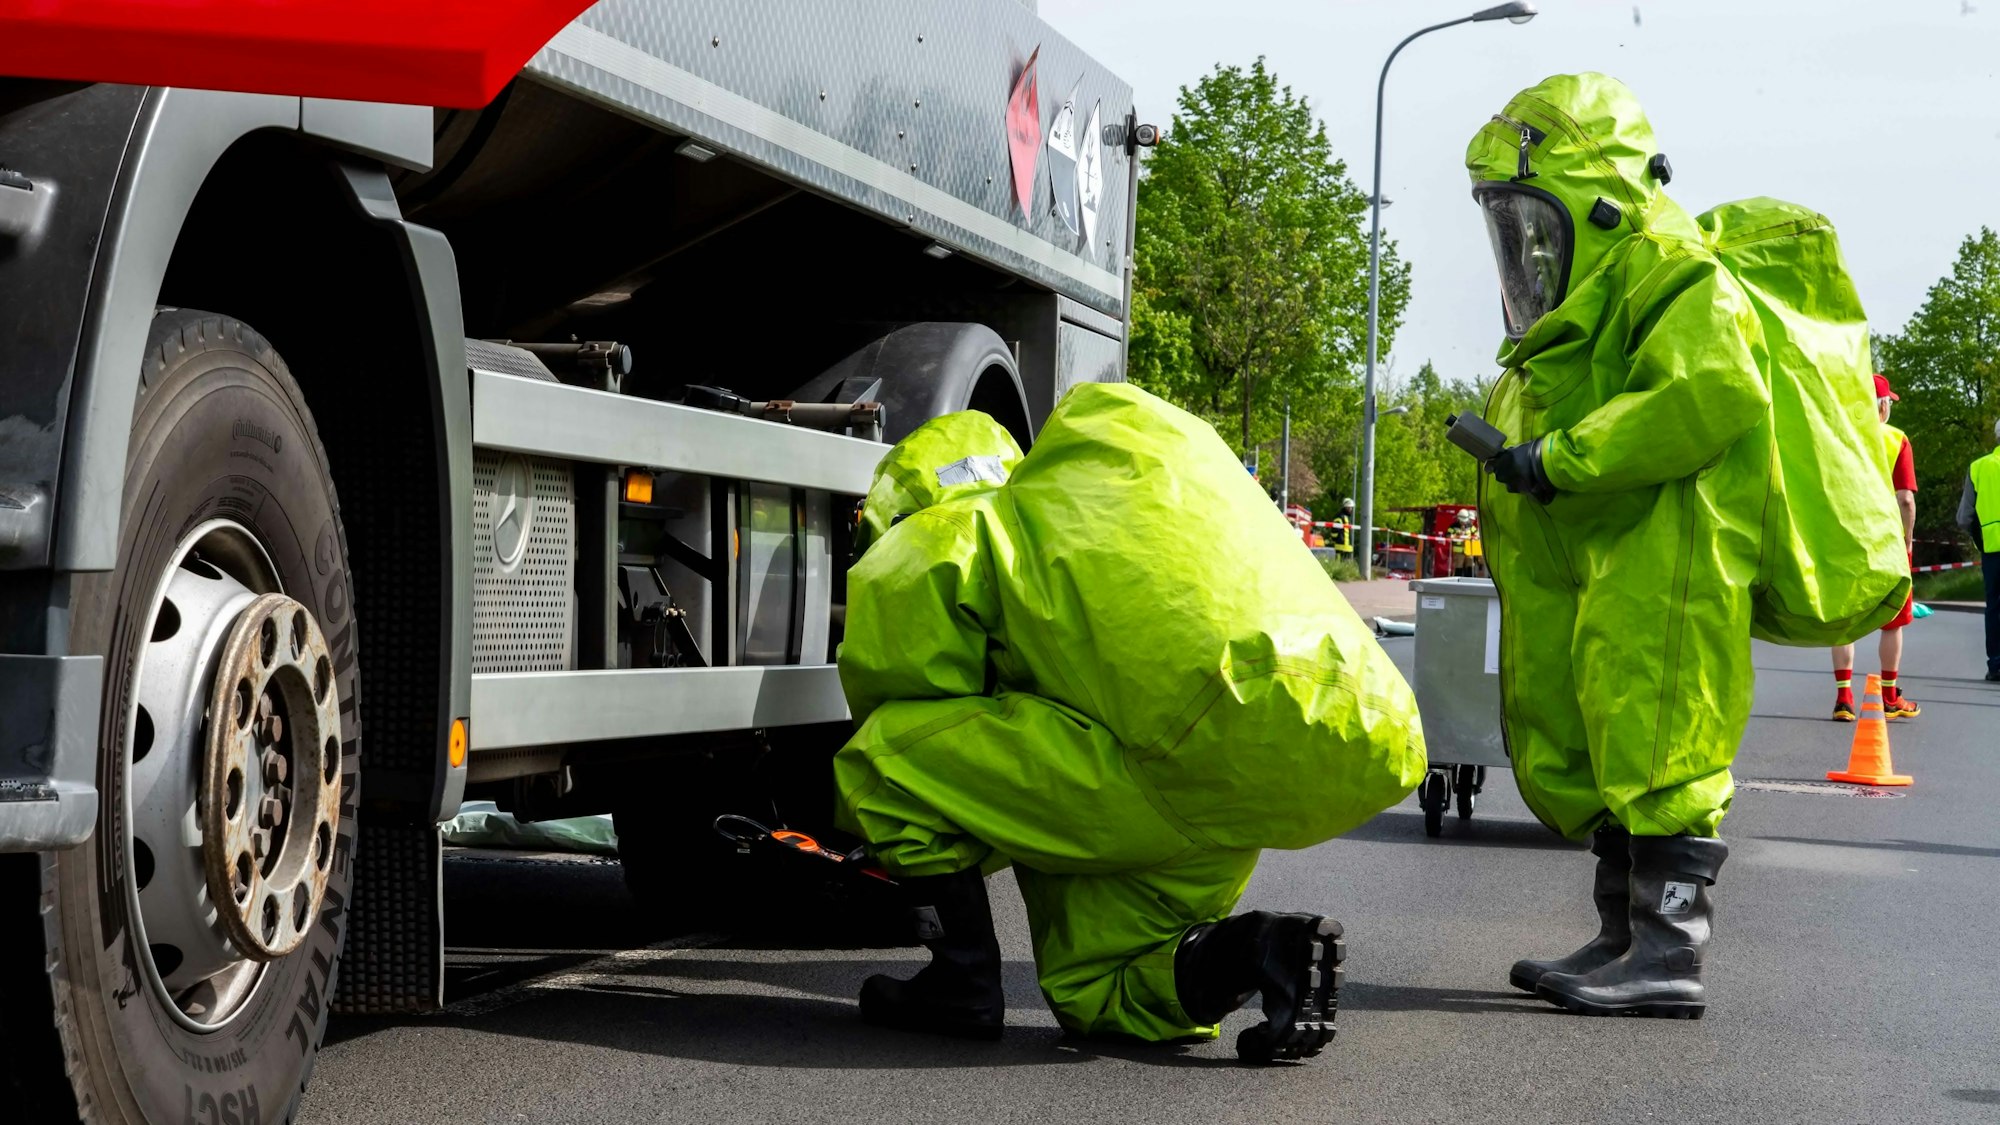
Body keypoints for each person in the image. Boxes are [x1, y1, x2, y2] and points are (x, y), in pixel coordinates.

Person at [834, 383, 1426, 1060]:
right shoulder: (1076, 518)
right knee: (1101, 984)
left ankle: (959, 980)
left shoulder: (944, 529)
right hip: (1280, 757)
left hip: (1155, 762)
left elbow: (909, 711)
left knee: (880, 761)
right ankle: (1261, 950)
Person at [1467, 73, 1763, 1018]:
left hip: (1669, 547)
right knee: (1608, 728)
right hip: (1611, 545)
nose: (1522, 245)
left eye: (1533, 218)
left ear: (1596, 203)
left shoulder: (1678, 271)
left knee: (1662, 732)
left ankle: (1669, 950)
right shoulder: (1606, 286)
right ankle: (1623, 935)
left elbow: (1709, 392)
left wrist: (1560, 454)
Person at [1831, 374, 1920, 720]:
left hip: (1847, 539)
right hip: (1887, 545)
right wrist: (1907, 539)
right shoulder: (1897, 440)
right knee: (1893, 621)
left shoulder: (1840, 439)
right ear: (1882, 406)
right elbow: (1905, 499)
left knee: (1845, 619)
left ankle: (1843, 698)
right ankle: (1888, 696)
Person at [1960, 419, 2000, 681]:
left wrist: (1981, 539)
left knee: (1995, 606)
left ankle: (1996, 665)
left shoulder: (1979, 467)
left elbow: (1964, 518)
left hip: (1993, 550)